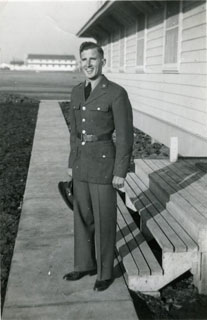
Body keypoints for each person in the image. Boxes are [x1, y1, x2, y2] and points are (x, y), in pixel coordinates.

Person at [63, 42, 133, 291]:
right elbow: (74, 133)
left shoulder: (116, 93)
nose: (88, 64)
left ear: (103, 61)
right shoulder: (75, 92)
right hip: (81, 163)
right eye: (84, 59)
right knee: (81, 216)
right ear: (80, 62)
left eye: (93, 59)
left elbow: (125, 136)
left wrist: (119, 171)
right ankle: (84, 264)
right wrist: (72, 163)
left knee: (104, 219)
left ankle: (104, 272)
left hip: (104, 164)